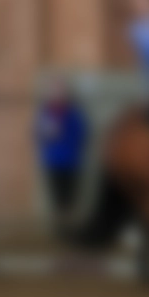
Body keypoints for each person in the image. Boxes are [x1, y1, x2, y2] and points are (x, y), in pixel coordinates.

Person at [35, 78, 88, 220]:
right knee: (57, 195)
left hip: (70, 160)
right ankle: (61, 222)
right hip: (53, 160)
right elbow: (37, 133)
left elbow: (82, 134)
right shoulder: (46, 112)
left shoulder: (72, 113)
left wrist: (63, 134)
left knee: (69, 194)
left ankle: (68, 221)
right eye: (54, 92)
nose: (56, 95)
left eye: (59, 91)